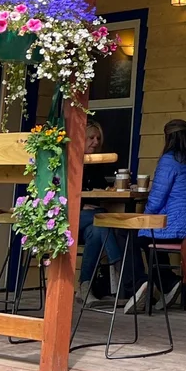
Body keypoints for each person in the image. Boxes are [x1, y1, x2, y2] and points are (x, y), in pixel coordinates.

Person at [124, 119, 186, 312]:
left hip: (177, 227)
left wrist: (144, 219)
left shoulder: (170, 160)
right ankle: (168, 283)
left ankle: (140, 285)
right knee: (148, 237)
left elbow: (155, 200)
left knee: (131, 236)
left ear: (168, 138)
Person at [77, 118, 119, 306]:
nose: (95, 142)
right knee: (101, 218)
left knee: (97, 230)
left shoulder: (94, 164)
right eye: (91, 138)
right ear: (81, 139)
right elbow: (54, 194)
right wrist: (79, 205)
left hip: (90, 222)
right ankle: (118, 267)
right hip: (67, 220)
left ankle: (84, 288)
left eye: (98, 138)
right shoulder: (68, 162)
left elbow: (101, 187)